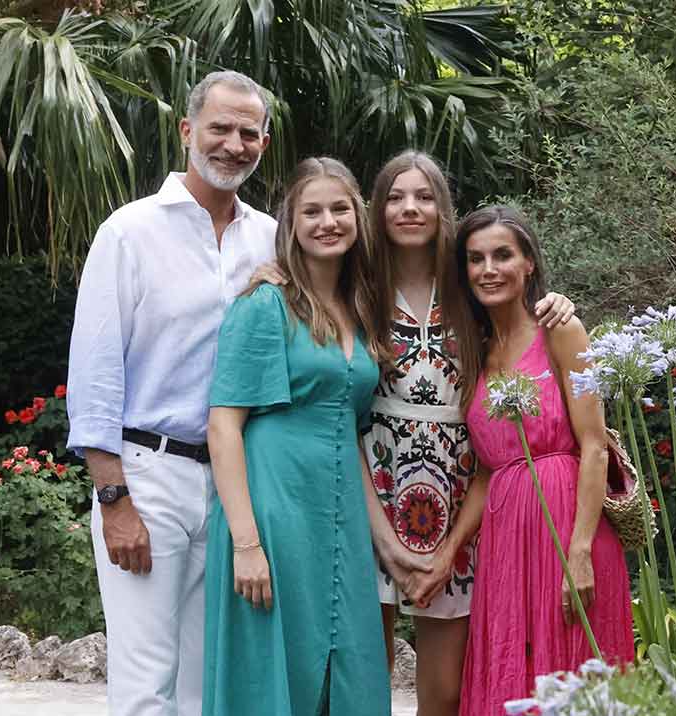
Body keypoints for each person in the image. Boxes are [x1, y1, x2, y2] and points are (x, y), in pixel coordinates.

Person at [252, 150, 574, 716]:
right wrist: (271, 272)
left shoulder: (470, 290)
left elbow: (520, 319)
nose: (410, 208)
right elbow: (334, 399)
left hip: (453, 493)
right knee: (358, 674)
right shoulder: (356, 288)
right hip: (367, 487)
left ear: (442, 207)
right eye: (396, 196)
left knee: (444, 692)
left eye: (424, 196)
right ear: (375, 210)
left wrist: (557, 303)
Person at [67, 71, 279, 716]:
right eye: (220, 128)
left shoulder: (271, 238)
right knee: (145, 682)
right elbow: (95, 370)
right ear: (188, 131)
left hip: (233, 481)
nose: (233, 145)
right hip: (147, 473)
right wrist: (113, 498)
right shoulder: (130, 232)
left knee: (206, 680)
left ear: (263, 144)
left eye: (249, 133)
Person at [204, 157, 416, 715]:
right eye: (312, 211)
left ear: (358, 219)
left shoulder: (361, 310)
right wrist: (247, 545)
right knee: (273, 674)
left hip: (340, 518)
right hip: (273, 512)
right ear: (290, 224)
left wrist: (389, 546)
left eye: (340, 209)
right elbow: (224, 426)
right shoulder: (264, 304)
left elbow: (347, 437)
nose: (328, 222)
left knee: (351, 670)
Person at [441, 205, 635, 715]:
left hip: (568, 528)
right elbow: (490, 469)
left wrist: (580, 550)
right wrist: (450, 551)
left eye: (503, 254)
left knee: (575, 674)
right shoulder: (475, 351)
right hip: (505, 544)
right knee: (512, 677)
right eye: (476, 258)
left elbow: (593, 445)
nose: (489, 269)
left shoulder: (561, 331)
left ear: (528, 262)